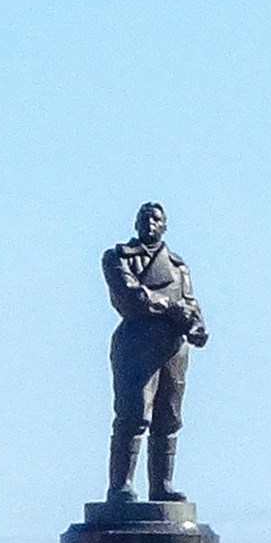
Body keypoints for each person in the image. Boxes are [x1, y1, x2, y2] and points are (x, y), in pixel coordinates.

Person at [103, 201, 207, 502]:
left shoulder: (178, 266)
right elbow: (131, 296)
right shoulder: (117, 257)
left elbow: (190, 301)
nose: (150, 223)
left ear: (164, 226)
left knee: (169, 418)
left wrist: (196, 325)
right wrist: (171, 308)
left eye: (156, 219)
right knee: (133, 414)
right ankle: (120, 486)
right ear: (135, 223)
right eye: (144, 218)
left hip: (173, 348)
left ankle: (161, 485)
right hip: (137, 344)